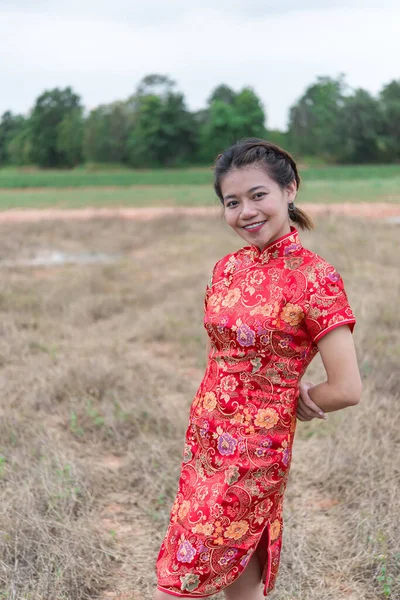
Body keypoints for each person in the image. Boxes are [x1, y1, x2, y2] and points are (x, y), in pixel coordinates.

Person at [154, 138, 362, 599]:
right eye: (232, 202)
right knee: (241, 567)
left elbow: (347, 388)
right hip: (206, 438)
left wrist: (295, 397)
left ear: (290, 190)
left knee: (181, 576)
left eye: (258, 195)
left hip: (253, 454)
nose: (245, 211)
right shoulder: (227, 268)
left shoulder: (315, 277)